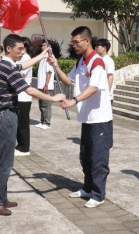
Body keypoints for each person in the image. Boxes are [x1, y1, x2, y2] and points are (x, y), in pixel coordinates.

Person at [0, 34, 65, 216]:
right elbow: (28, 89)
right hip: (6, 116)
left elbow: (24, 65)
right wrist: (53, 98)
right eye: (20, 49)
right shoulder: (8, 67)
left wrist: (43, 54)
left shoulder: (8, 64)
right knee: (4, 163)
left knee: (2, 160)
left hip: (6, 116)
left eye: (23, 49)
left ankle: (0, 197)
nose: (23, 52)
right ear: (9, 49)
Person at [48, 26, 112, 209]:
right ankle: (88, 188)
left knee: (98, 159)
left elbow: (93, 88)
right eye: (72, 42)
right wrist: (56, 65)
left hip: (100, 119)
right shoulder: (81, 62)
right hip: (87, 118)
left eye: (76, 42)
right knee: (86, 157)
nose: (74, 45)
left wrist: (73, 100)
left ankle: (98, 195)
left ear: (87, 41)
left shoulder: (97, 62)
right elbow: (68, 81)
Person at [95, 38, 115, 149]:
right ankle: (103, 140)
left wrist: (107, 93)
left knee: (107, 120)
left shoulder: (108, 60)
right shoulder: (100, 60)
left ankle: (108, 143)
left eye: (98, 46)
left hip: (107, 96)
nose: (96, 48)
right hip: (102, 95)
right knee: (102, 119)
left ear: (104, 48)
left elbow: (110, 76)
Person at [15, 37, 33, 156]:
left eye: (21, 47)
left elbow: (19, 74)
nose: (19, 50)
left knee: (23, 124)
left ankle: (24, 148)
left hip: (24, 96)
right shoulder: (21, 58)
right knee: (19, 123)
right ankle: (20, 144)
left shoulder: (26, 58)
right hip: (18, 96)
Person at [35, 40, 55, 130]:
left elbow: (49, 72)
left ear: (49, 47)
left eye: (44, 45)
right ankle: (42, 121)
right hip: (40, 85)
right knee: (41, 105)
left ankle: (47, 123)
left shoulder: (50, 57)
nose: (42, 47)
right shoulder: (43, 57)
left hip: (46, 86)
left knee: (46, 105)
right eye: (42, 45)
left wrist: (46, 84)